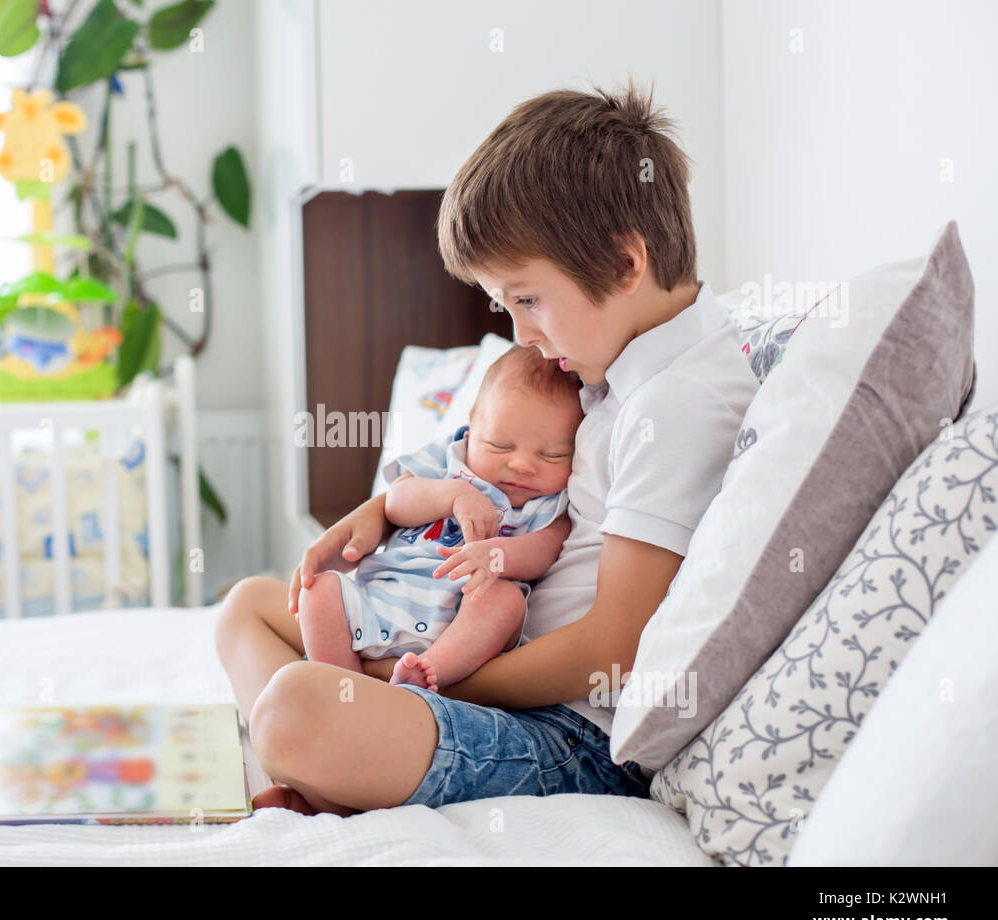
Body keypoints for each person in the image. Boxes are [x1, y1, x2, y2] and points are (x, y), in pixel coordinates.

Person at [215, 78, 760, 815]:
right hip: (470, 650)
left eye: (528, 300)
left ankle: (326, 764)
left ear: (627, 264)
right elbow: (468, 468)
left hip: (562, 730)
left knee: (295, 710)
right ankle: (327, 771)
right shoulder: (610, 359)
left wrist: (430, 680)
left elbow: (613, 648)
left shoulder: (680, 400)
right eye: (506, 307)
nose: (522, 337)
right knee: (246, 606)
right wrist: (378, 513)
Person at [301, 345, 582, 692]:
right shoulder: (449, 459)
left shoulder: (547, 503)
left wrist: (495, 557)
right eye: (499, 445)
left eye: (552, 455)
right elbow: (396, 502)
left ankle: (428, 672)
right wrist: (452, 495)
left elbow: (545, 550)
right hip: (381, 600)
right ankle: (345, 689)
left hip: (460, 622)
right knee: (318, 591)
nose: (522, 465)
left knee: (505, 601)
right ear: (471, 424)